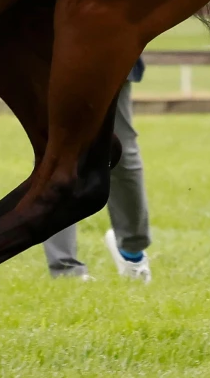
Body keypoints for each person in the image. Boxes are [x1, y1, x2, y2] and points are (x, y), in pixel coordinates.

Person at [43, 62, 153, 283]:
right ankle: (65, 268)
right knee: (59, 152)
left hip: (110, 45)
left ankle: (132, 250)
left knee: (121, 152)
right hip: (46, 49)